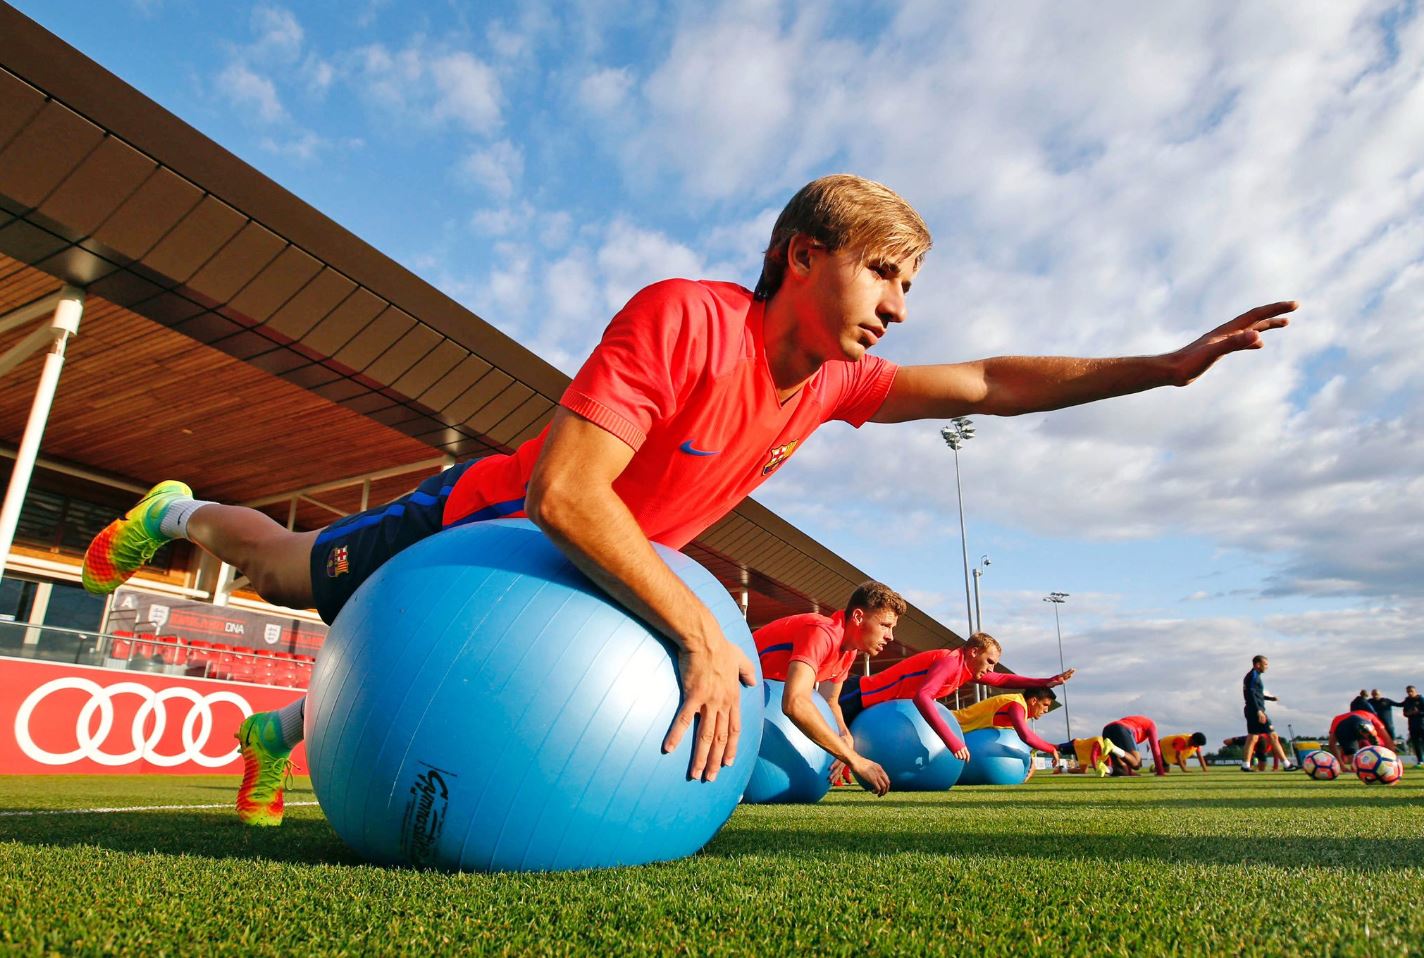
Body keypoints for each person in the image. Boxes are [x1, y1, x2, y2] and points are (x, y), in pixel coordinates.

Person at [78, 173, 1293, 826]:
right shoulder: (685, 317)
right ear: (800, 257)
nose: (900, 307)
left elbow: (988, 378)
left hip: (578, 580)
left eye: (910, 283)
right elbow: (563, 491)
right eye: (884, 271)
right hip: (482, 530)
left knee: (470, 688)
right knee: (296, 574)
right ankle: (174, 514)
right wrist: (705, 632)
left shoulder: (827, 386)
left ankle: (268, 738)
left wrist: (1163, 364)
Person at [752, 581, 904, 795]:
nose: (890, 636)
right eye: (885, 625)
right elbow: (794, 703)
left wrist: (844, 735)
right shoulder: (822, 632)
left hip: (761, 695)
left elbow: (830, 701)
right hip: (733, 684)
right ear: (858, 617)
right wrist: (854, 759)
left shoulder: (849, 650)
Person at [836, 633, 1072, 760]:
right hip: (858, 694)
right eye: (989, 661)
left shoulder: (966, 669)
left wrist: (1046, 681)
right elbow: (923, 697)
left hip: (873, 709)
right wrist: (953, 741)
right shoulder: (951, 661)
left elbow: (1003, 680)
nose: (991, 669)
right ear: (973, 651)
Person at [952, 686, 1062, 762]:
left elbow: (1029, 740)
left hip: (959, 734)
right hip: (950, 723)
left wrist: (1031, 761)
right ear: (1033, 701)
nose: (1046, 710)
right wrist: (1050, 749)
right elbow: (1026, 736)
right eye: (1045, 705)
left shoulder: (1023, 712)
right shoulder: (1016, 704)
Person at [1241, 655, 1296, 772]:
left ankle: (1245, 765)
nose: (1267, 667)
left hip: (1251, 710)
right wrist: (1259, 711)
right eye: (1265, 664)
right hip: (1256, 711)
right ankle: (1287, 765)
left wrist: (1270, 698)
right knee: (1273, 736)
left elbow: (1256, 694)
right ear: (1257, 665)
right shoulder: (1253, 676)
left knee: (1252, 738)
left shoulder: (1252, 676)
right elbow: (1250, 695)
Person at [1327, 706, 1391, 769]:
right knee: (1365, 729)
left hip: (1342, 725)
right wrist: (1391, 756)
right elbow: (1386, 737)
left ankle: (1354, 766)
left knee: (1352, 754)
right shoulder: (1369, 714)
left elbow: (1331, 744)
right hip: (1360, 720)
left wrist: (1341, 766)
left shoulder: (1337, 718)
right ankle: (1369, 732)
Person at [1102, 715, 1167, 776]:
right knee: (1136, 764)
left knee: (1122, 769)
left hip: (1107, 729)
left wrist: (1131, 773)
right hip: (1122, 728)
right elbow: (1155, 748)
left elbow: (1126, 753)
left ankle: (1106, 769)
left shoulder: (1134, 721)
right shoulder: (1151, 725)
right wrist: (1160, 772)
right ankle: (1113, 748)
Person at [1055, 735, 1127, 776]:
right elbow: (1093, 756)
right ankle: (1047, 747)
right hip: (1076, 745)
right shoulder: (1099, 742)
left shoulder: (1110, 748)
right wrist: (1097, 770)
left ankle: (1061, 770)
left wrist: (1108, 771)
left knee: (1083, 771)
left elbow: (1109, 760)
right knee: (1057, 747)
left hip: (1083, 754)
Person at [1402, 685, 1424, 767]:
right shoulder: (1407, 700)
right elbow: (1405, 713)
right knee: (1416, 743)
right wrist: (1409, 713)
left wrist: (1418, 713)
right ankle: (1420, 761)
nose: (1410, 693)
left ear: (1415, 691)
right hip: (1412, 726)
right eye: (1408, 692)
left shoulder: (1421, 699)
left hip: (1422, 724)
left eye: (1411, 691)